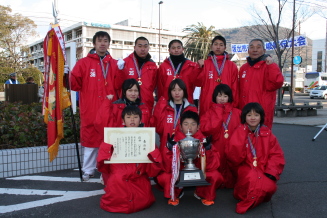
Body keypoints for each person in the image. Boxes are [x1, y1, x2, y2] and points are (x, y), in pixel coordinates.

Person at [70, 31, 122, 181]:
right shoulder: (84, 63)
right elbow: (74, 85)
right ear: (94, 44)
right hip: (91, 109)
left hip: (110, 108)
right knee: (91, 140)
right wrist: (66, 76)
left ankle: (108, 170)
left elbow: (120, 86)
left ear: (109, 44)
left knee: (110, 140)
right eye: (99, 41)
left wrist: (121, 71)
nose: (103, 43)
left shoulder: (114, 63)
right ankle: (88, 170)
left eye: (105, 41)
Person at [96, 105, 162, 214]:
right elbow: (103, 164)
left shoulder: (147, 137)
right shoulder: (113, 136)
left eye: (135, 117)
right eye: (128, 117)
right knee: (117, 182)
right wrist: (108, 147)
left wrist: (153, 154)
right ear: (123, 120)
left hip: (138, 177)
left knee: (142, 197)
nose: (132, 119)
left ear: (140, 120)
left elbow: (154, 169)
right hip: (118, 179)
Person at [226, 102, 285, 214]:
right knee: (252, 178)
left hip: (263, 169)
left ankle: (255, 197)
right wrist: (241, 136)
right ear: (244, 117)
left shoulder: (267, 133)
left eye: (256, 115)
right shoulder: (239, 131)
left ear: (261, 117)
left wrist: (271, 172)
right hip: (245, 167)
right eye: (249, 115)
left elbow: (276, 155)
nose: (252, 118)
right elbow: (233, 157)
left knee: (270, 187)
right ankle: (250, 198)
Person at [151, 79, 197, 205]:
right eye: (174, 90)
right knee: (167, 172)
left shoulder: (191, 108)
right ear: (170, 92)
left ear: (184, 91)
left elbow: (194, 128)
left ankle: (181, 187)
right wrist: (160, 105)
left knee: (184, 168)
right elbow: (159, 128)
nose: (177, 93)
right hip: (167, 146)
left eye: (179, 90)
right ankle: (173, 191)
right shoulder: (165, 107)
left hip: (185, 146)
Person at [169, 111, 223, 206]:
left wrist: (208, 150)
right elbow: (166, 165)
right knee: (166, 176)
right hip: (181, 169)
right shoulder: (175, 140)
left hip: (198, 170)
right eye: (186, 124)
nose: (189, 127)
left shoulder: (203, 140)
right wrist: (171, 149)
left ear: (198, 127)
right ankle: (176, 194)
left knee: (215, 175)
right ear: (180, 127)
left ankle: (203, 194)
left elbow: (214, 165)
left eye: (193, 124)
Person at [200, 84, 241, 188]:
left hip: (233, 146)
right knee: (217, 165)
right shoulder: (209, 113)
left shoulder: (237, 113)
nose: (222, 99)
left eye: (225, 96)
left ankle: (232, 182)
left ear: (229, 97)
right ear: (215, 97)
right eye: (219, 96)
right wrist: (218, 111)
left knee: (233, 165)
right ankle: (218, 182)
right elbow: (207, 129)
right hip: (217, 145)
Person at [238, 39, 284, 129]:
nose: (255, 50)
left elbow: (277, 83)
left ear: (264, 50)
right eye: (252, 47)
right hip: (245, 112)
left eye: (258, 47)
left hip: (261, 112)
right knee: (244, 139)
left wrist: (271, 66)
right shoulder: (244, 68)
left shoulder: (269, 66)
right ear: (248, 50)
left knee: (262, 139)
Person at [196, 35, 238, 116]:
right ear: (211, 47)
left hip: (226, 103)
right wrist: (199, 68)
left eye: (221, 45)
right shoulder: (205, 64)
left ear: (225, 47)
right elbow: (197, 83)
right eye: (215, 44)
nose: (218, 47)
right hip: (207, 102)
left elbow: (235, 88)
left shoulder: (232, 65)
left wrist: (234, 105)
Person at [118, 36, 157, 112]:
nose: (143, 49)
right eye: (140, 46)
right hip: (128, 104)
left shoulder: (153, 65)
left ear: (148, 48)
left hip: (146, 103)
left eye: (145, 46)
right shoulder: (125, 63)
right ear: (134, 47)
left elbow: (154, 85)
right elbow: (119, 84)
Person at [157, 39, 202, 104]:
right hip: (168, 102)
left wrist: (200, 69)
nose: (176, 50)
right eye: (173, 48)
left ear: (182, 49)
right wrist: (161, 103)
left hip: (187, 101)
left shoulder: (191, 66)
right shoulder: (163, 66)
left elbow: (198, 83)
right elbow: (160, 87)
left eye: (178, 47)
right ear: (169, 50)